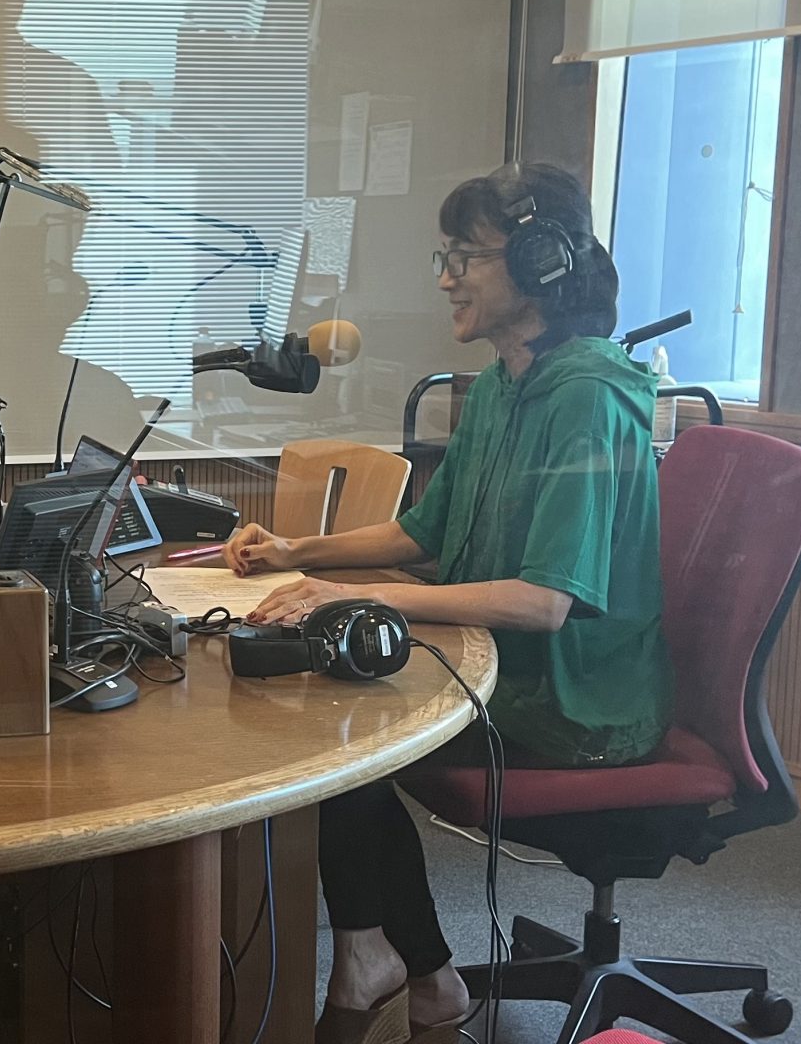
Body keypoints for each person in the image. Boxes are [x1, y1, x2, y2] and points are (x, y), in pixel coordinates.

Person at [223, 163, 672, 1044]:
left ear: (540, 265)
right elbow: (424, 531)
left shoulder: (586, 397)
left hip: (576, 701)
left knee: (336, 737)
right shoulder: (502, 383)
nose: (446, 278)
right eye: (446, 256)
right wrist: (299, 552)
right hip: (500, 667)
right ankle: (391, 964)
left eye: (466, 256)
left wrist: (359, 594)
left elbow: (545, 602)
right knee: (324, 716)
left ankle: (402, 967)